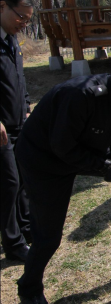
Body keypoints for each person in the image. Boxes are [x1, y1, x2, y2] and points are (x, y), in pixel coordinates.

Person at [14, 56, 111, 304]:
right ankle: (29, 289)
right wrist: (102, 165)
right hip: (44, 159)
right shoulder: (80, 96)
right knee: (48, 235)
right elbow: (62, 147)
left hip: (78, 148)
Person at [0, 0, 33, 262]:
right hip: (1, 128)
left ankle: (26, 228)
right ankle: (12, 242)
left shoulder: (11, 40)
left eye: (27, 20)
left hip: (18, 122)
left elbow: (19, 79)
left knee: (22, 178)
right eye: (21, 17)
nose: (23, 23)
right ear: (2, 6)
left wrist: (27, 106)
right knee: (8, 183)